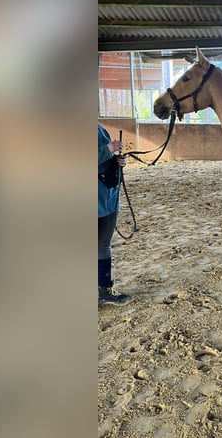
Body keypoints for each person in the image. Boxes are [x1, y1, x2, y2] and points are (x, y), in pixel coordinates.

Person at [98, 124, 131, 306]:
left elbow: (105, 158)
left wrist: (117, 161)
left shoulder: (100, 129)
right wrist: (109, 149)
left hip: (106, 196)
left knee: (103, 244)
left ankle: (105, 289)